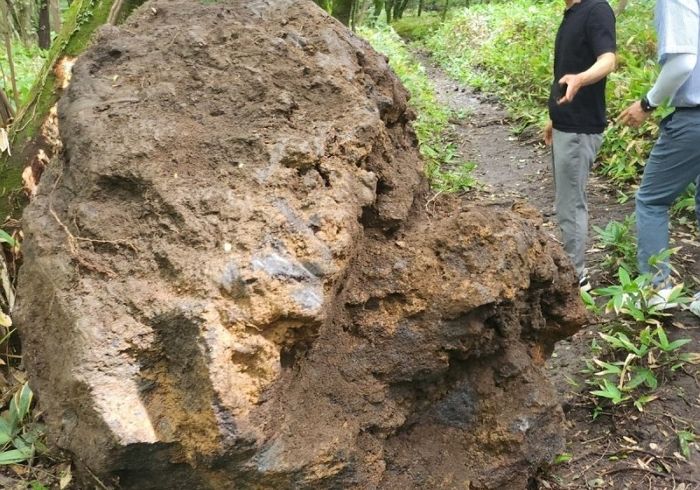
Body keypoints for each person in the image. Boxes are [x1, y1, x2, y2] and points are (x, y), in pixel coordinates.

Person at [618, 0, 700, 303]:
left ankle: (655, 290)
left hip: (694, 118)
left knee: (652, 199)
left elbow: (682, 62)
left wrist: (647, 103)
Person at [544, 0, 617, 292]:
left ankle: (576, 278)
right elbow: (566, 68)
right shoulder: (572, 13)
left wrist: (581, 80)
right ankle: (572, 269)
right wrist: (554, 115)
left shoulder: (596, 9)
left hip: (579, 127)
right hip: (565, 123)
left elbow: (608, 60)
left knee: (571, 204)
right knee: (566, 200)